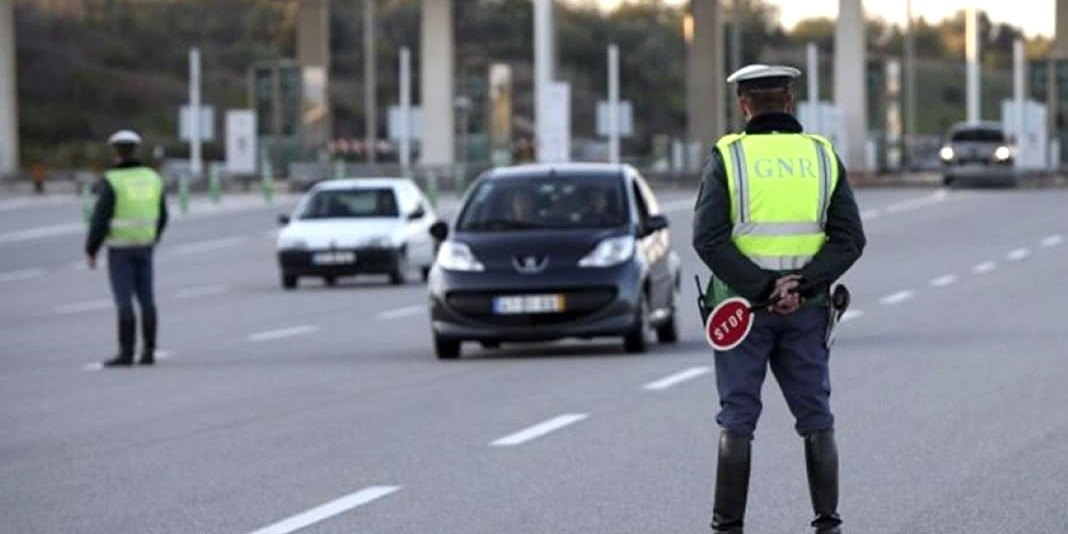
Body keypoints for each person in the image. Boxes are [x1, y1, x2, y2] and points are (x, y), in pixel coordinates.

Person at [692, 65, 866, 533]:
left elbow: (708, 240)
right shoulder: (822, 156)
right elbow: (849, 239)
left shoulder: (729, 158)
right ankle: (828, 524)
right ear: (790, 103)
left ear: (744, 105)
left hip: (741, 311)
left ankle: (728, 527)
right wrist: (802, 285)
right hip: (806, 311)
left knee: (738, 417)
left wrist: (763, 289)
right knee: (815, 414)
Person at [85, 130, 168, 367]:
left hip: (120, 249)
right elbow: (163, 214)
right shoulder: (153, 178)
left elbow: (100, 219)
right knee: (147, 299)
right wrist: (154, 236)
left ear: (115, 152)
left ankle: (126, 352)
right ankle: (149, 351)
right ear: (135, 150)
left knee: (124, 300)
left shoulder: (112, 180)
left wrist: (91, 249)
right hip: (145, 246)